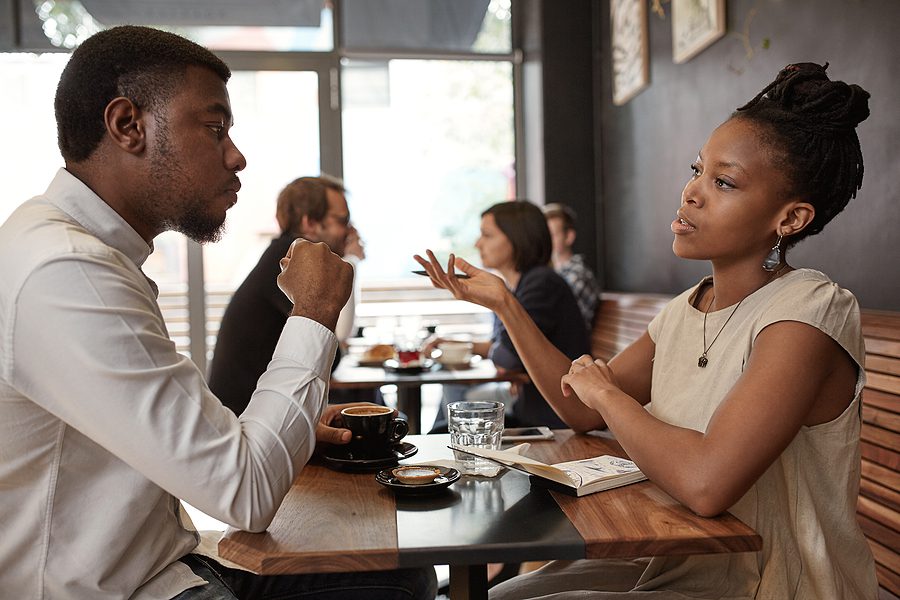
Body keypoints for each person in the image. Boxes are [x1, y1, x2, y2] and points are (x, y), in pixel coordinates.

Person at [0, 25, 435, 600]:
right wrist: (315, 310)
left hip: (163, 563)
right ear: (128, 125)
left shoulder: (76, 252)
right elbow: (245, 493)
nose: (237, 155)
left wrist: (298, 433)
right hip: (124, 589)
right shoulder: (69, 272)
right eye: (214, 128)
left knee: (402, 571)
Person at [415, 62, 878, 599]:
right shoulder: (686, 309)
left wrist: (608, 393)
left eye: (723, 182)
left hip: (775, 579)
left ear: (790, 219)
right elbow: (580, 408)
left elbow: (707, 483)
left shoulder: (809, 313)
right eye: (696, 170)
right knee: (500, 595)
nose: (691, 193)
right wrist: (505, 303)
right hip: (679, 564)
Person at [208, 174, 371, 416]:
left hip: (253, 412)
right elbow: (331, 353)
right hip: (246, 422)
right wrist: (351, 262)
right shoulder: (291, 264)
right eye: (342, 220)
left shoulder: (281, 253)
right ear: (310, 224)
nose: (351, 230)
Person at [428, 200, 590, 432]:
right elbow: (504, 349)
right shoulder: (521, 285)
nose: (477, 243)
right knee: (444, 420)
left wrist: (507, 358)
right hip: (533, 406)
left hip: (552, 417)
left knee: (445, 422)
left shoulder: (542, 284)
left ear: (517, 239)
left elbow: (507, 357)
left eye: (487, 235)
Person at [542, 202, 602, 329]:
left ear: (569, 237)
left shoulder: (578, 275)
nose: (545, 241)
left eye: (551, 235)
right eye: (544, 235)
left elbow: (555, 322)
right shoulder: (551, 273)